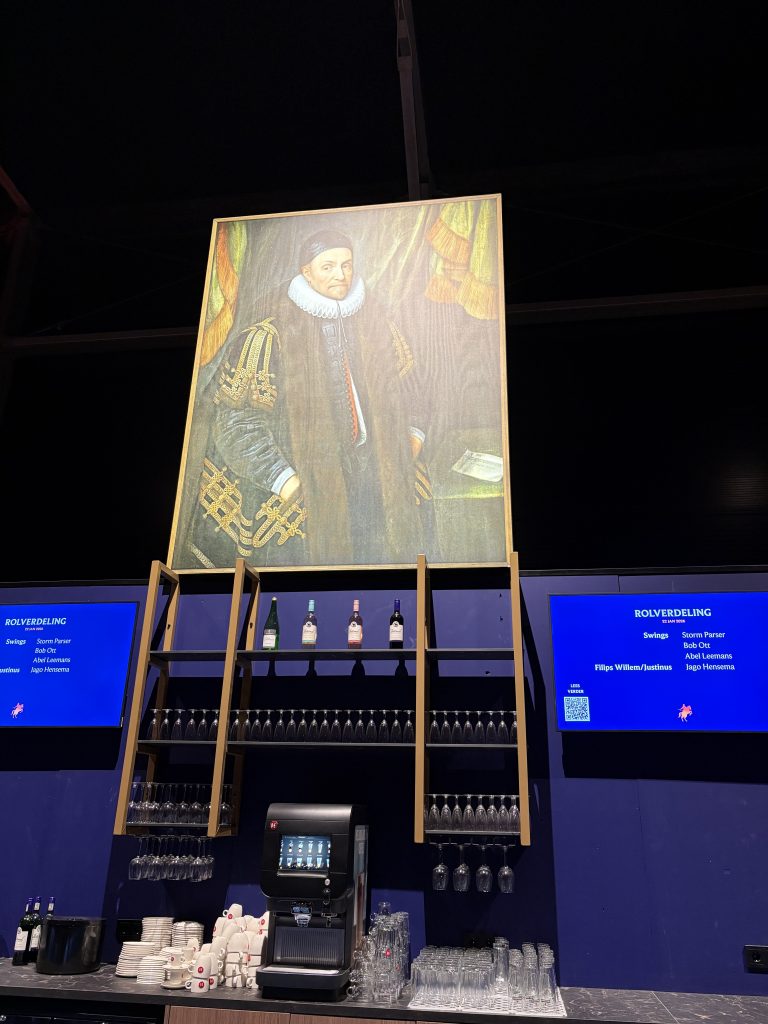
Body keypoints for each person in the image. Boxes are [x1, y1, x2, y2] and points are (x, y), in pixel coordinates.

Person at [183, 227, 431, 568]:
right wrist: (286, 481)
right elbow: (236, 427)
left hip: (372, 476)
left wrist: (411, 440)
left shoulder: (378, 323)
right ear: (307, 272)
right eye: (328, 266)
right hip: (297, 488)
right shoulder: (268, 335)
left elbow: (413, 389)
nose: (340, 275)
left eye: (346, 265)